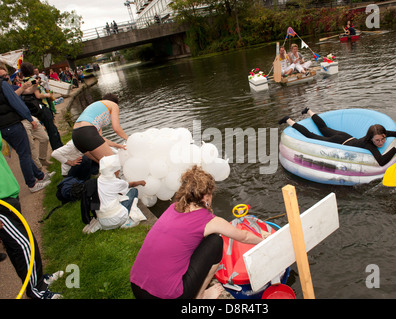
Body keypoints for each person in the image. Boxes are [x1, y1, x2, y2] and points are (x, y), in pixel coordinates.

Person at [130, 166, 270, 299]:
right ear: (205, 197)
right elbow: (244, 237)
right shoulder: (210, 221)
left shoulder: (173, 207)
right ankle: (200, 296)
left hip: (137, 287)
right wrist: (263, 239)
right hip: (169, 296)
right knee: (216, 241)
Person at [0, 132, 63, 298]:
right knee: (23, 245)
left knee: (20, 244)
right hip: (1, 203)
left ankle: (38, 281)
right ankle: (37, 291)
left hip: (8, 195)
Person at [278, 107, 396, 167]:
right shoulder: (369, 144)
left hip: (347, 137)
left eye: (383, 139)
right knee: (312, 134)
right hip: (339, 141)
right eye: (377, 140)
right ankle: (289, 120)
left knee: (324, 128)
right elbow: (381, 161)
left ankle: (308, 110)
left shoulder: (381, 132)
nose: (381, 143)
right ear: (371, 138)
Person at [0, 66, 51, 193]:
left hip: (4, 128)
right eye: (4, 75)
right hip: (13, 124)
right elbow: (15, 101)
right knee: (25, 154)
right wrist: (29, 118)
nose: (6, 77)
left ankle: (40, 176)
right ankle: (31, 184)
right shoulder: (3, 85)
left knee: (24, 153)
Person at [82, 154, 146, 233]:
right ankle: (128, 217)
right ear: (114, 171)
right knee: (133, 191)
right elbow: (131, 185)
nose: (119, 171)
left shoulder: (95, 182)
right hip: (118, 219)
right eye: (118, 169)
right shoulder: (116, 182)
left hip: (103, 221)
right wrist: (141, 182)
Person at [72, 93, 128, 163]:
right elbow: (117, 128)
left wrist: (118, 145)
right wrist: (129, 139)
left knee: (105, 167)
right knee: (113, 166)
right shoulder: (113, 105)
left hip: (76, 136)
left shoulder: (96, 109)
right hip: (87, 131)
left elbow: (98, 139)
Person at [20, 62, 63, 150]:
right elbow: (38, 95)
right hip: (41, 106)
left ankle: (57, 148)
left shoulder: (23, 82)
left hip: (35, 108)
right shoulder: (32, 81)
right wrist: (47, 95)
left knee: (49, 127)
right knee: (51, 128)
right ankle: (58, 148)